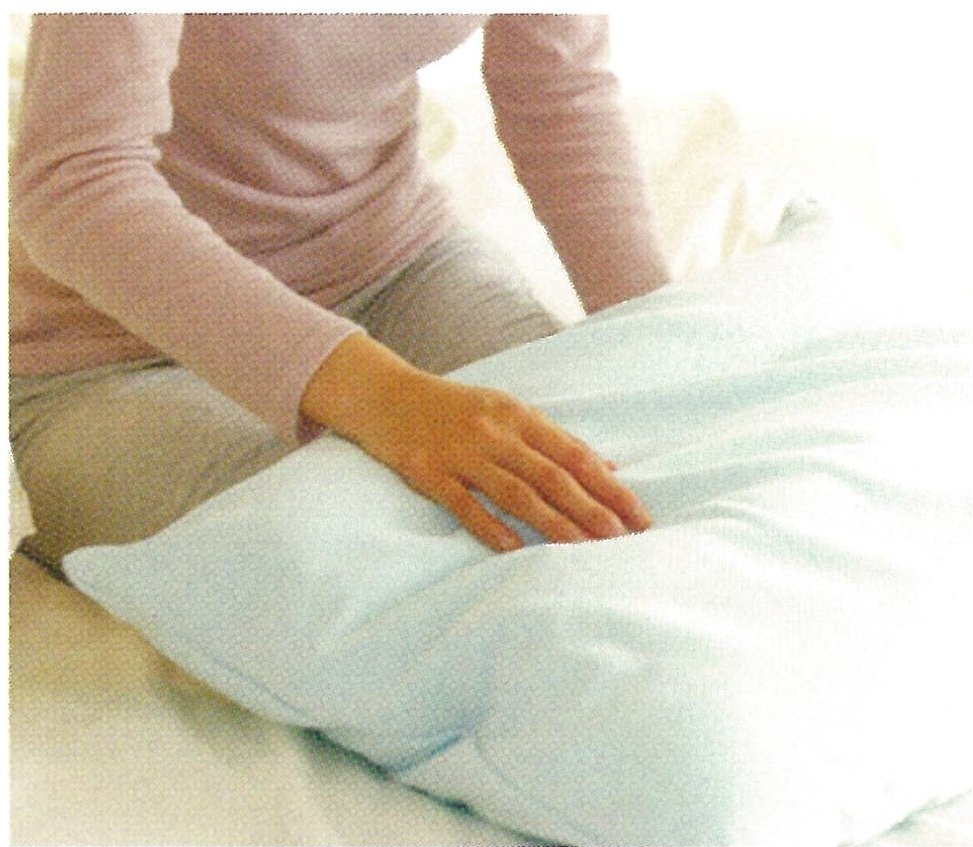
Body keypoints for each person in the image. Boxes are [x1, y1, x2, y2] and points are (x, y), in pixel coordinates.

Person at [9, 13, 669, 574]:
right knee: (373, 549)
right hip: (108, 352)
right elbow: (77, 185)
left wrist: (665, 338)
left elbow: (560, 95)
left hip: (397, 267)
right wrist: (388, 399)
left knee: (619, 469)